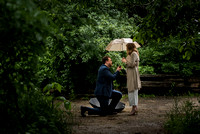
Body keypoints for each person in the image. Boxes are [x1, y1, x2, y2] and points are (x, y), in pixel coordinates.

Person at [121, 42, 141, 115]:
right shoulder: (131, 54)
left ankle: (134, 107)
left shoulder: (133, 54)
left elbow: (132, 64)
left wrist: (125, 61)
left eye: (127, 47)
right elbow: (131, 63)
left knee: (133, 89)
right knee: (131, 90)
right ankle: (134, 107)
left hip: (133, 73)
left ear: (129, 48)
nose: (126, 49)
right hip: (130, 73)